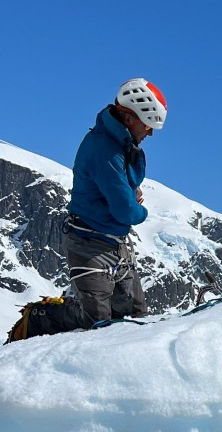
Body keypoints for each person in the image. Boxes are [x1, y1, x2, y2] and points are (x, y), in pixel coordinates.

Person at [63, 78, 167, 325]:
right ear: (129, 118)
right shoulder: (105, 149)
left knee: (136, 321)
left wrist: (129, 191)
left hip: (114, 247)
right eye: (148, 125)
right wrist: (141, 210)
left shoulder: (117, 146)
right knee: (98, 325)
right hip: (90, 247)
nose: (149, 133)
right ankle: (46, 321)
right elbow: (125, 212)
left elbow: (118, 190)